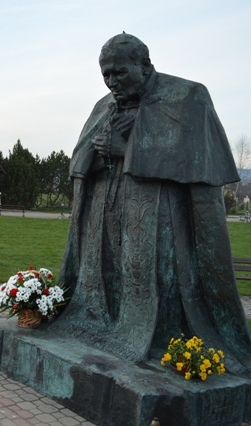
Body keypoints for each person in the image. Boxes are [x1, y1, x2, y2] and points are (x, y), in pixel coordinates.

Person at [52, 33, 251, 375]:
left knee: (157, 287)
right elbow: (80, 161)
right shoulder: (105, 106)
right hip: (108, 219)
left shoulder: (187, 96)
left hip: (160, 223)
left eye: (119, 72)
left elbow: (193, 162)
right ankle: (107, 325)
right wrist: (96, 153)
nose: (111, 82)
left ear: (144, 66)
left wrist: (125, 149)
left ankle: (166, 339)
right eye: (105, 75)